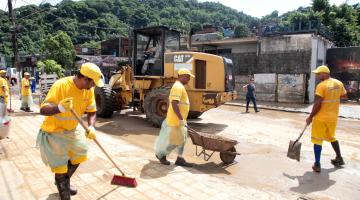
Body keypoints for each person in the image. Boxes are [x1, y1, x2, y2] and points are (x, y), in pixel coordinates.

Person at [36, 62, 103, 200]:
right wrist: (59, 108)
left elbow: (92, 111)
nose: (94, 86)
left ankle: (63, 180)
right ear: (85, 79)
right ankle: (63, 185)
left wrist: (91, 126)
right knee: (60, 168)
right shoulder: (61, 85)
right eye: (93, 83)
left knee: (80, 154)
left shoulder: (88, 90)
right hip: (54, 132)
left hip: (72, 129)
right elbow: (43, 110)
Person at [306, 65, 347, 173]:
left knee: (317, 140)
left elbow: (318, 103)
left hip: (321, 118)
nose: (317, 76)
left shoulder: (321, 86)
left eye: (319, 74)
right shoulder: (338, 83)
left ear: (325, 73)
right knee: (332, 137)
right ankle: (339, 158)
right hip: (333, 117)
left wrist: (310, 116)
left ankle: (317, 164)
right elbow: (344, 96)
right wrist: (333, 99)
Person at [154, 68, 194, 167]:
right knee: (176, 141)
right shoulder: (177, 87)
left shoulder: (179, 86)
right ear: (183, 76)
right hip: (176, 121)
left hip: (179, 120)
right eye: (188, 77)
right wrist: (180, 119)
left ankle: (179, 159)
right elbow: (174, 104)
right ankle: (161, 155)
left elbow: (171, 103)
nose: (189, 79)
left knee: (182, 140)